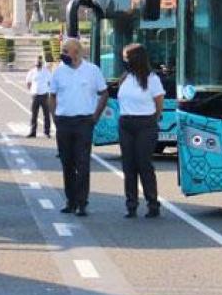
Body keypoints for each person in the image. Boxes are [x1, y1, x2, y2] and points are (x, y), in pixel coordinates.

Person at [48, 37, 107, 216]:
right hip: (64, 122)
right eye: (63, 50)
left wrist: (95, 116)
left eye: (66, 51)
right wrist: (55, 117)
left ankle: (82, 202)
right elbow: (52, 96)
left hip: (84, 121)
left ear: (77, 52)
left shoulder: (92, 70)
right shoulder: (58, 71)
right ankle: (70, 201)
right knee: (67, 163)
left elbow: (104, 93)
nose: (63, 54)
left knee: (82, 163)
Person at [114, 43, 165, 218]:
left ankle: (153, 204)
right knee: (128, 166)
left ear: (136, 59)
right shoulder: (125, 77)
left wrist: (152, 119)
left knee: (144, 164)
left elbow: (159, 104)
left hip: (145, 124)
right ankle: (131, 204)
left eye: (126, 58)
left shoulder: (152, 79)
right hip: (126, 123)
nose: (124, 61)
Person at [25, 55, 53, 137]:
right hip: (35, 95)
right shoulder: (32, 72)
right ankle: (33, 132)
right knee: (34, 114)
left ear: (42, 62)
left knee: (46, 114)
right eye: (37, 62)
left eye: (40, 62)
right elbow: (28, 82)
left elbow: (50, 82)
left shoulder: (46, 71)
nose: (38, 63)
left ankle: (47, 132)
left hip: (44, 95)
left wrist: (47, 90)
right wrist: (32, 91)